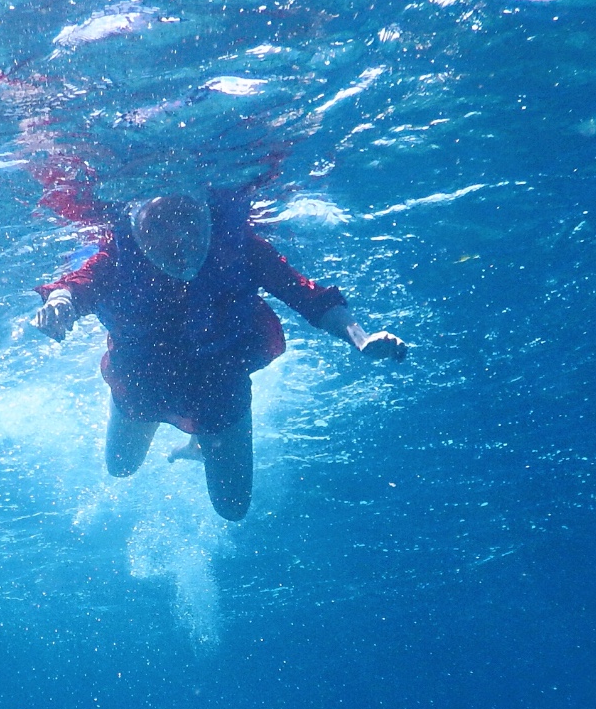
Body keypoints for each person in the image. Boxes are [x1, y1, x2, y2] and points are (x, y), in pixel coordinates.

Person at [27, 189, 405, 519]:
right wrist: (60, 305)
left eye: (188, 223)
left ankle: (200, 443)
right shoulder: (117, 259)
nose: (177, 243)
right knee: (121, 468)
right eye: (158, 228)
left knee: (233, 509)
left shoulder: (239, 249)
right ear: (136, 228)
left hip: (220, 386)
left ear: (209, 216)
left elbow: (309, 297)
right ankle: (199, 440)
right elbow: (73, 288)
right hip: (142, 379)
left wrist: (361, 338)